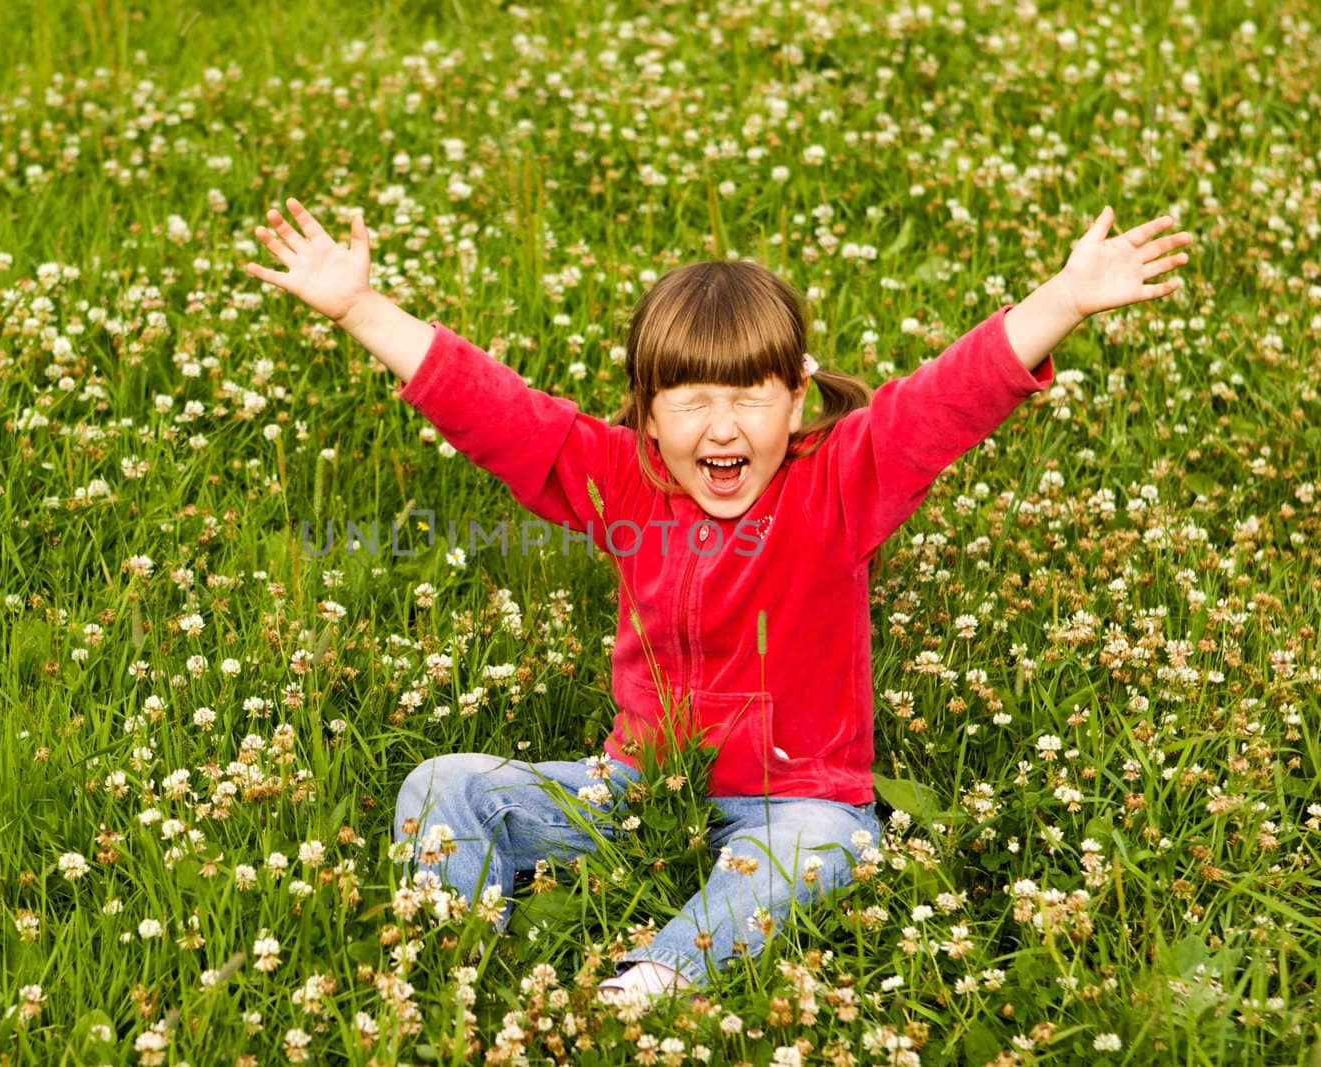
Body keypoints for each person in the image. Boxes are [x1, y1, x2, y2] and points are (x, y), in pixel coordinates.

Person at [244, 198, 1192, 1002]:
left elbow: (946, 398)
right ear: (647, 409)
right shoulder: (619, 477)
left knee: (820, 848)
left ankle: (655, 974)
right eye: (691, 400)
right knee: (440, 786)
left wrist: (1064, 299)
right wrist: (361, 305)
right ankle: (445, 964)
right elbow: (498, 412)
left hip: (797, 798)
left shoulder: (838, 485)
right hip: (635, 789)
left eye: (751, 396)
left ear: (798, 396)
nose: (723, 426)